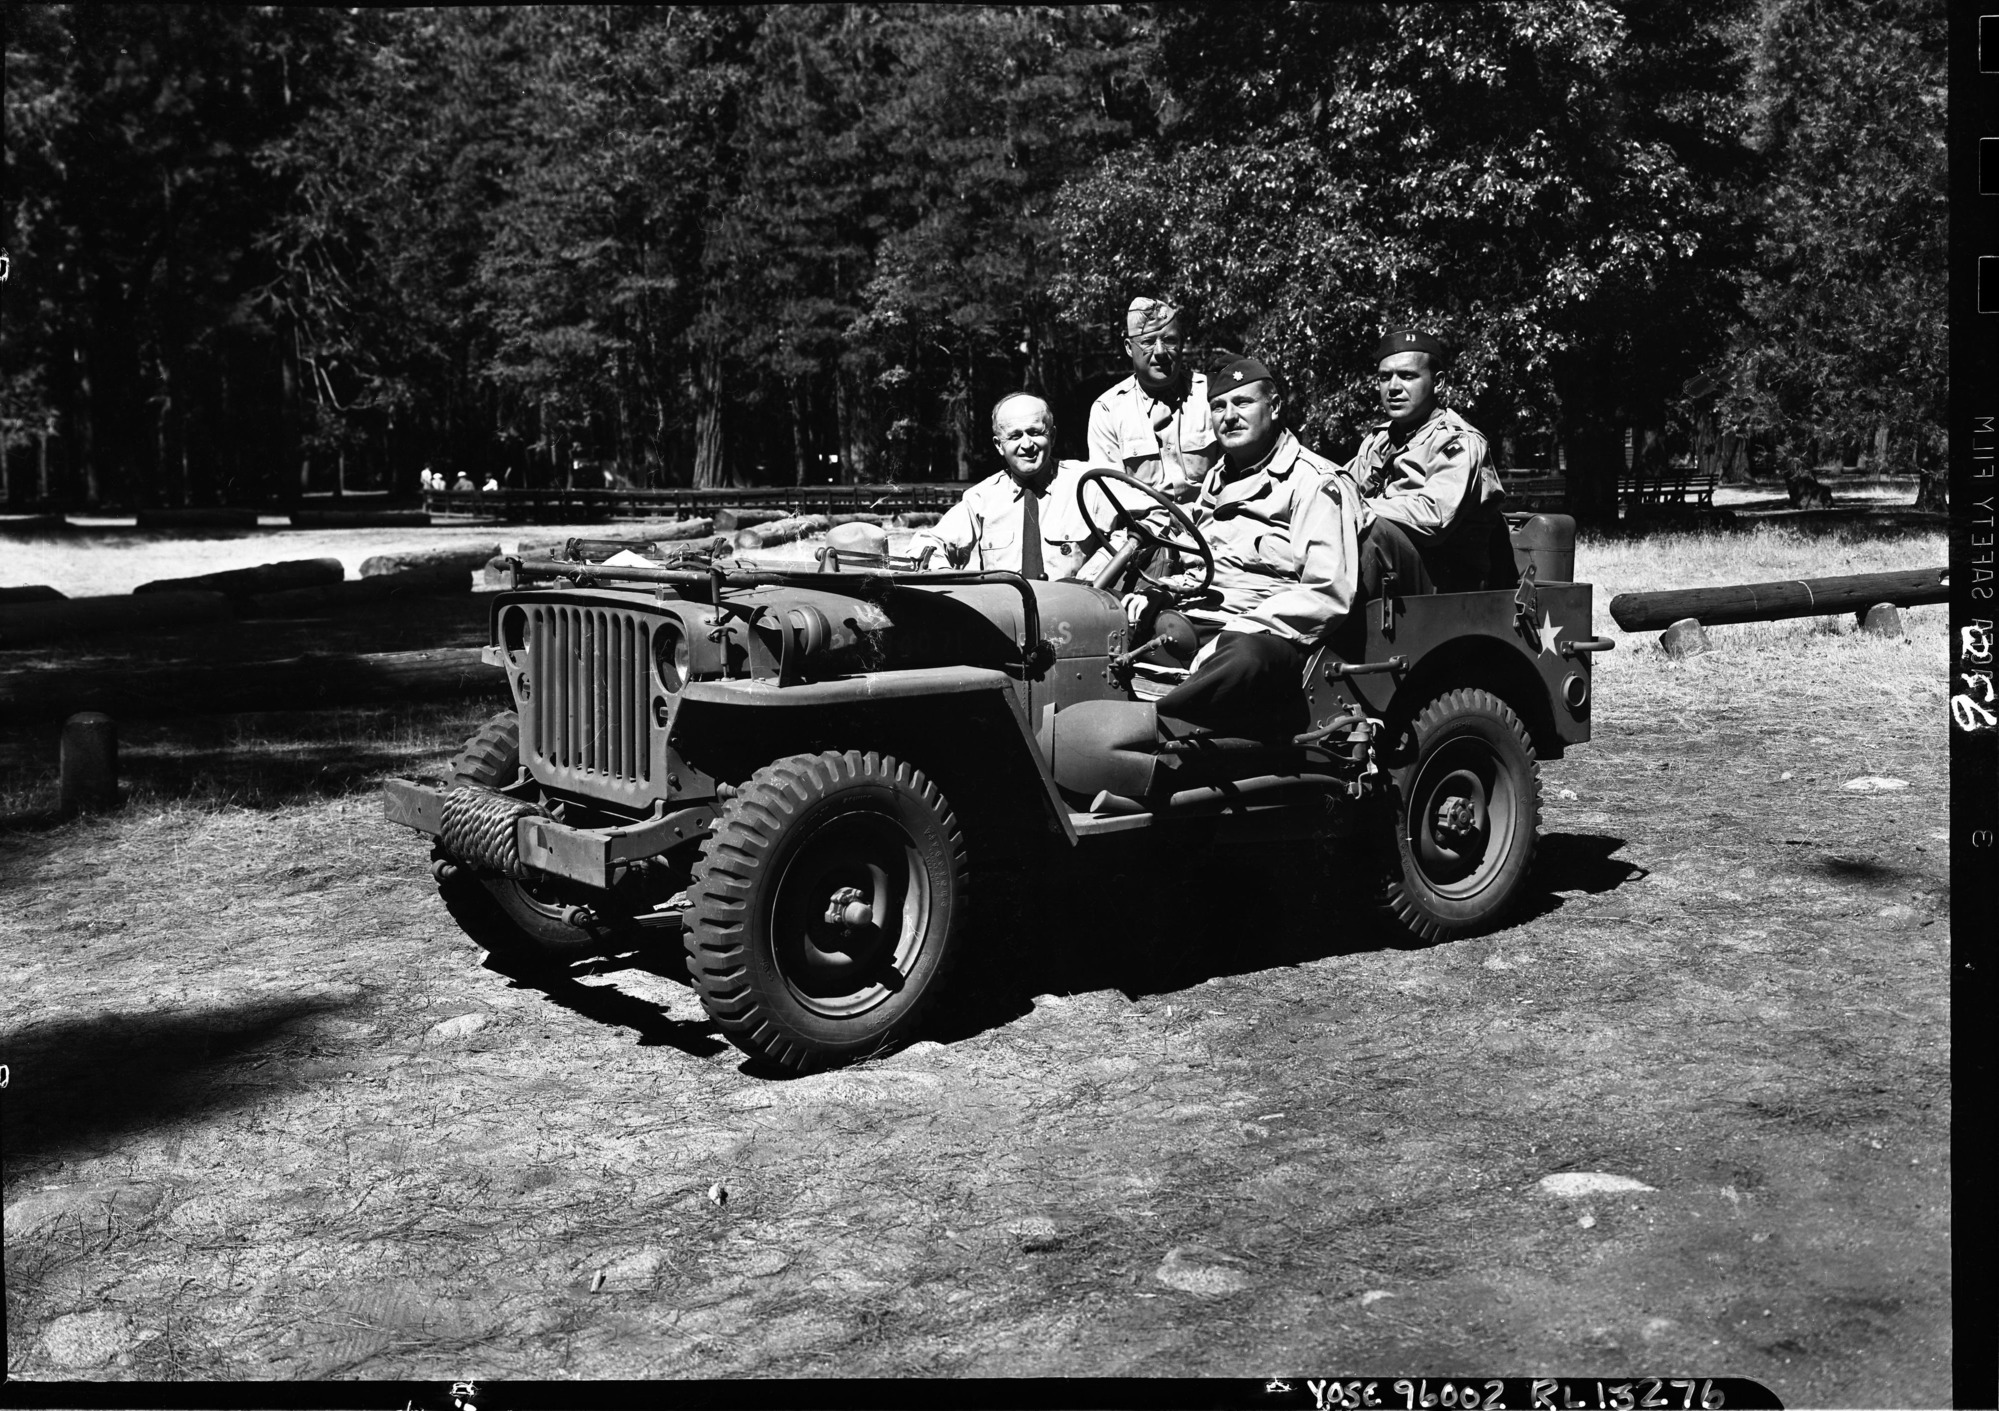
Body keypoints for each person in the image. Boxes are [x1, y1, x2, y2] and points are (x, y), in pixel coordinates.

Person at [1132, 354, 1369, 740]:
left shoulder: (1314, 482)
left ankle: (1155, 730)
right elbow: (1204, 563)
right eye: (1218, 406)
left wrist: (1241, 628)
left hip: (1270, 633)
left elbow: (1327, 592)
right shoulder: (1217, 477)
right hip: (1206, 615)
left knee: (1244, 658)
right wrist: (1159, 591)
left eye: (1243, 403)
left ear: (1274, 407)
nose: (1229, 416)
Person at [1345, 328, 1509, 595]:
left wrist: (1359, 507)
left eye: (1408, 376)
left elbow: (1434, 518)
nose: (1394, 387)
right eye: (1385, 378)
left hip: (1451, 581)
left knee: (1368, 532)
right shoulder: (1380, 441)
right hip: (1401, 569)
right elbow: (1344, 487)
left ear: (1438, 382)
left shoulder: (1457, 444)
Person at [911, 394, 1118, 579]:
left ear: (1052, 436)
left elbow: (1132, 532)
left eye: (1035, 432)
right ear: (999, 445)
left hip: (1077, 610)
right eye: (1015, 436)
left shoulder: (1088, 484)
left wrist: (1091, 577)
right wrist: (943, 571)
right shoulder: (982, 498)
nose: (1027, 445)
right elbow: (927, 542)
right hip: (1008, 614)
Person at [1086, 297, 1222, 504]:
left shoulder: (1211, 395)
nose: (1160, 352)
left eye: (1169, 340)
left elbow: (1234, 472)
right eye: (1148, 342)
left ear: (1182, 343)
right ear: (1129, 348)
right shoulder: (1108, 411)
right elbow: (1110, 491)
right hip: (1144, 530)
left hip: (1212, 523)